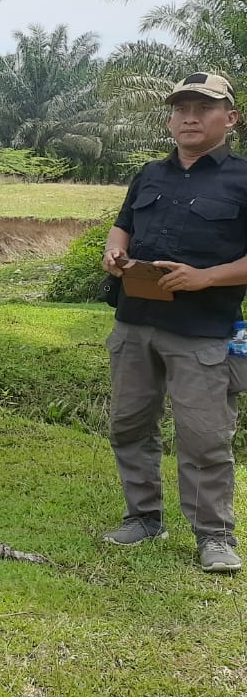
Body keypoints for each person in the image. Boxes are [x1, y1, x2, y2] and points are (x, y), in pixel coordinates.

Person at [101, 71, 247, 573]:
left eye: (204, 108)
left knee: (205, 436)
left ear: (230, 118)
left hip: (203, 331)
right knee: (129, 424)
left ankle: (215, 536)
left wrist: (205, 278)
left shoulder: (243, 178)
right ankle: (144, 518)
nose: (190, 117)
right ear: (169, 120)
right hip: (134, 322)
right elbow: (123, 226)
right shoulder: (149, 175)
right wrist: (114, 252)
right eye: (181, 108)